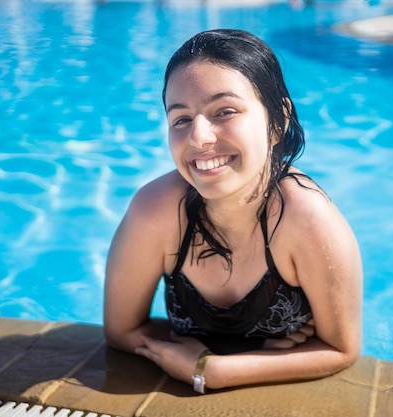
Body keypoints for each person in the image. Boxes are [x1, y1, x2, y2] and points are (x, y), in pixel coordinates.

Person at [103, 29, 362, 392]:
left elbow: (341, 349)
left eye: (224, 111)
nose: (198, 138)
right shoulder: (156, 211)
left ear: (277, 121)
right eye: (181, 119)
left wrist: (211, 370)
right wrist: (261, 355)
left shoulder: (306, 219)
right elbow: (121, 332)